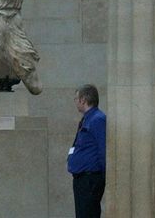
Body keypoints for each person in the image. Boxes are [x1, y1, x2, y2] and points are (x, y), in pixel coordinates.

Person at [68, 84, 106, 218]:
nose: (75, 102)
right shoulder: (87, 118)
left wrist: (101, 177)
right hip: (82, 178)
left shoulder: (97, 119)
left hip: (90, 178)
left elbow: (103, 150)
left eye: (76, 99)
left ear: (83, 100)